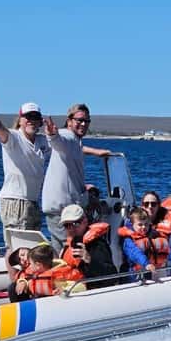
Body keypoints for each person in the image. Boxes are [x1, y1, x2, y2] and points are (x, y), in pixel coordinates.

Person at [0, 97, 51, 244]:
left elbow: (63, 145)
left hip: (33, 202)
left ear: (40, 121)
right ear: (20, 120)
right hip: (15, 201)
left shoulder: (42, 142)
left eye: (35, 117)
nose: (31, 120)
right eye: (28, 117)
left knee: (34, 248)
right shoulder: (14, 138)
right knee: (17, 249)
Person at [42, 104, 111, 249]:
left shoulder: (76, 142)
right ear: (69, 121)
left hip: (60, 207)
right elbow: (59, 142)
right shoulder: (67, 136)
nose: (83, 124)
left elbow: (77, 148)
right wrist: (52, 135)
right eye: (79, 120)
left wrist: (96, 152)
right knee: (70, 250)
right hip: (63, 211)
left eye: (87, 121)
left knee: (60, 250)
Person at [58, 204, 118, 288]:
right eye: (67, 225)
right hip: (69, 289)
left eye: (75, 223)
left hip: (91, 292)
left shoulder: (97, 245)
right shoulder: (67, 246)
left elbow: (112, 275)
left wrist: (89, 259)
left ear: (85, 222)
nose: (71, 228)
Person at [14, 244, 85, 298]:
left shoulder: (61, 274)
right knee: (12, 287)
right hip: (39, 298)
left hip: (52, 301)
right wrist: (23, 282)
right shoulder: (36, 270)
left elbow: (81, 285)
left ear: (38, 265)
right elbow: (25, 275)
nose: (29, 266)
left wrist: (65, 290)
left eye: (31, 264)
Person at [118, 207, 170, 274]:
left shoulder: (154, 235)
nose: (144, 227)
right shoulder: (128, 240)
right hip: (133, 274)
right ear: (132, 225)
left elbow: (168, 249)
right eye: (140, 225)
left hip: (151, 271)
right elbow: (135, 253)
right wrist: (146, 264)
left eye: (146, 224)